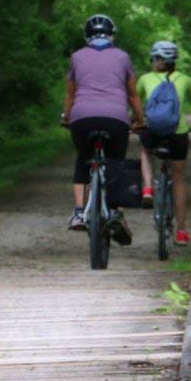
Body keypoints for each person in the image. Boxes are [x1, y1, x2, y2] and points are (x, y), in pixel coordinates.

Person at [61, 14, 144, 237]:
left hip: (82, 117)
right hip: (116, 117)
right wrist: (140, 120)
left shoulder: (77, 57)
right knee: (116, 162)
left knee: (83, 158)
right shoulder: (123, 57)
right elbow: (133, 95)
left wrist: (67, 118)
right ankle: (115, 213)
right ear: (111, 35)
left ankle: (79, 212)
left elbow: (71, 95)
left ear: (87, 36)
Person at [137, 40, 191, 246]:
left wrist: (135, 122)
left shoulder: (145, 79)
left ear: (157, 60)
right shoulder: (185, 80)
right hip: (178, 132)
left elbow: (136, 105)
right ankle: (182, 232)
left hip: (153, 130)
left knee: (145, 151)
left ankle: (148, 188)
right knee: (178, 180)